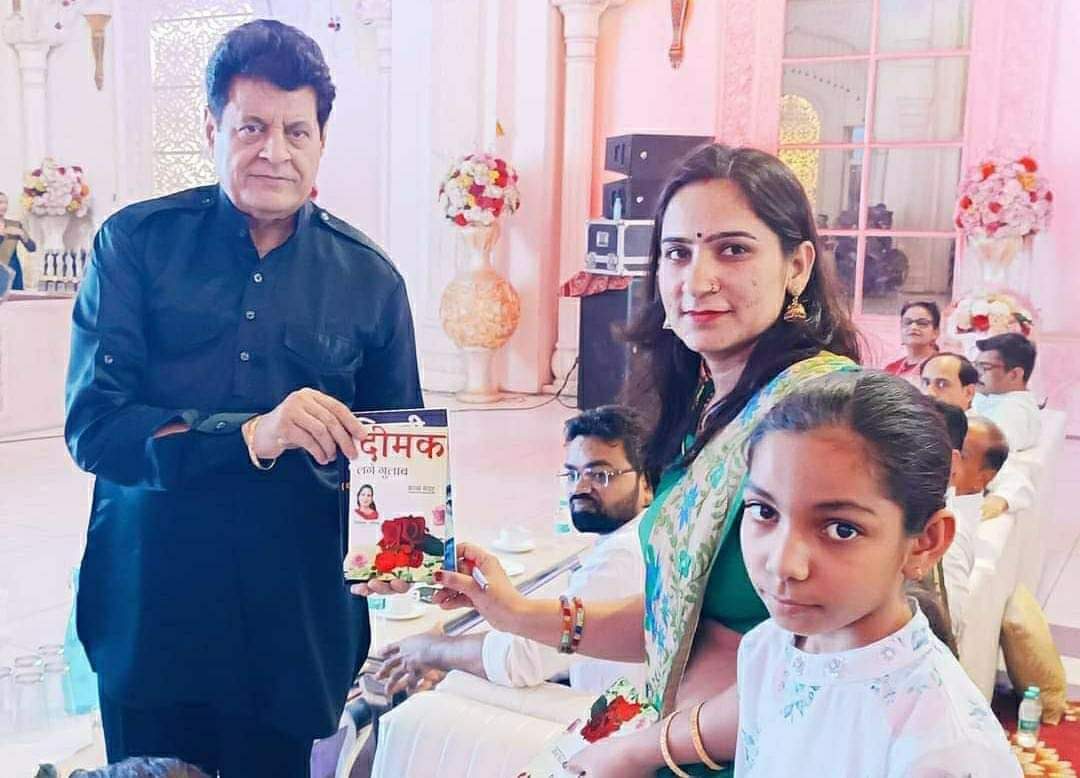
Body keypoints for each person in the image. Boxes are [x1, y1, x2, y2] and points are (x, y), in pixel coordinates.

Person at [363, 144, 863, 777]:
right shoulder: (710, 407)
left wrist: (638, 750)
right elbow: (675, 616)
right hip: (676, 732)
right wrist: (515, 612)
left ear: (796, 266)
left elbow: (834, 663)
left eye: (733, 250)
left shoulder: (825, 415)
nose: (696, 280)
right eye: (677, 253)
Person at [64, 20, 421, 776]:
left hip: (293, 624)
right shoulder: (135, 246)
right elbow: (96, 427)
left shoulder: (370, 279)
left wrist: (415, 551)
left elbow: (398, 462)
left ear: (321, 140)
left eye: (297, 130)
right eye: (251, 127)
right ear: (212, 129)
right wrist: (254, 433)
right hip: (154, 609)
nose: (274, 151)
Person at [573, 372, 1016, 776]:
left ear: (925, 542)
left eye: (841, 529)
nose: (783, 563)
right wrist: (629, 752)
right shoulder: (771, 646)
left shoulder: (942, 749)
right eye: (764, 511)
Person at [377, 405, 653, 698]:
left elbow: (521, 660)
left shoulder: (624, 554)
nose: (580, 488)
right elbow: (552, 650)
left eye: (599, 474)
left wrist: (432, 650)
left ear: (646, 482)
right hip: (594, 696)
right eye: (572, 474)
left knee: (428, 705)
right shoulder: (640, 534)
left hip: (611, 716)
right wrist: (490, 612)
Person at [922, 350, 1033, 521]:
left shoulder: (976, 433)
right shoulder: (921, 423)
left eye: (942, 384)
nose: (929, 392)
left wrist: (999, 500)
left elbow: (1015, 482)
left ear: (969, 392)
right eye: (925, 383)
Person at [972, 332, 1041, 452]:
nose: (976, 373)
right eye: (976, 366)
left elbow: (982, 451)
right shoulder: (1000, 397)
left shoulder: (1014, 411)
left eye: (985, 367)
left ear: (1014, 374)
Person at [883, 300, 940, 385]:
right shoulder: (890, 369)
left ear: (935, 332)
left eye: (922, 323)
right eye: (907, 322)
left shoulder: (942, 366)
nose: (913, 327)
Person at [0, 189, 36, 291]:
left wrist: (22, 234)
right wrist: (3, 234)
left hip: (12, 270)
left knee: (15, 299)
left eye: (6, 203)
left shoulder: (15, 225)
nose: (4, 206)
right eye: (0, 202)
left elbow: (32, 248)